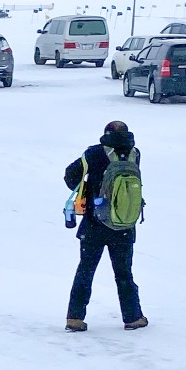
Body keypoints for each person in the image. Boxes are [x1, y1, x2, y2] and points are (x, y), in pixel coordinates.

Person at [62, 119, 148, 331]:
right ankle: (132, 317)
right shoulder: (135, 154)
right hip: (125, 226)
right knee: (124, 273)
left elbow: (70, 175)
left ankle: (75, 317)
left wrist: (88, 191)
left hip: (95, 223)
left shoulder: (94, 153)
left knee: (86, 270)